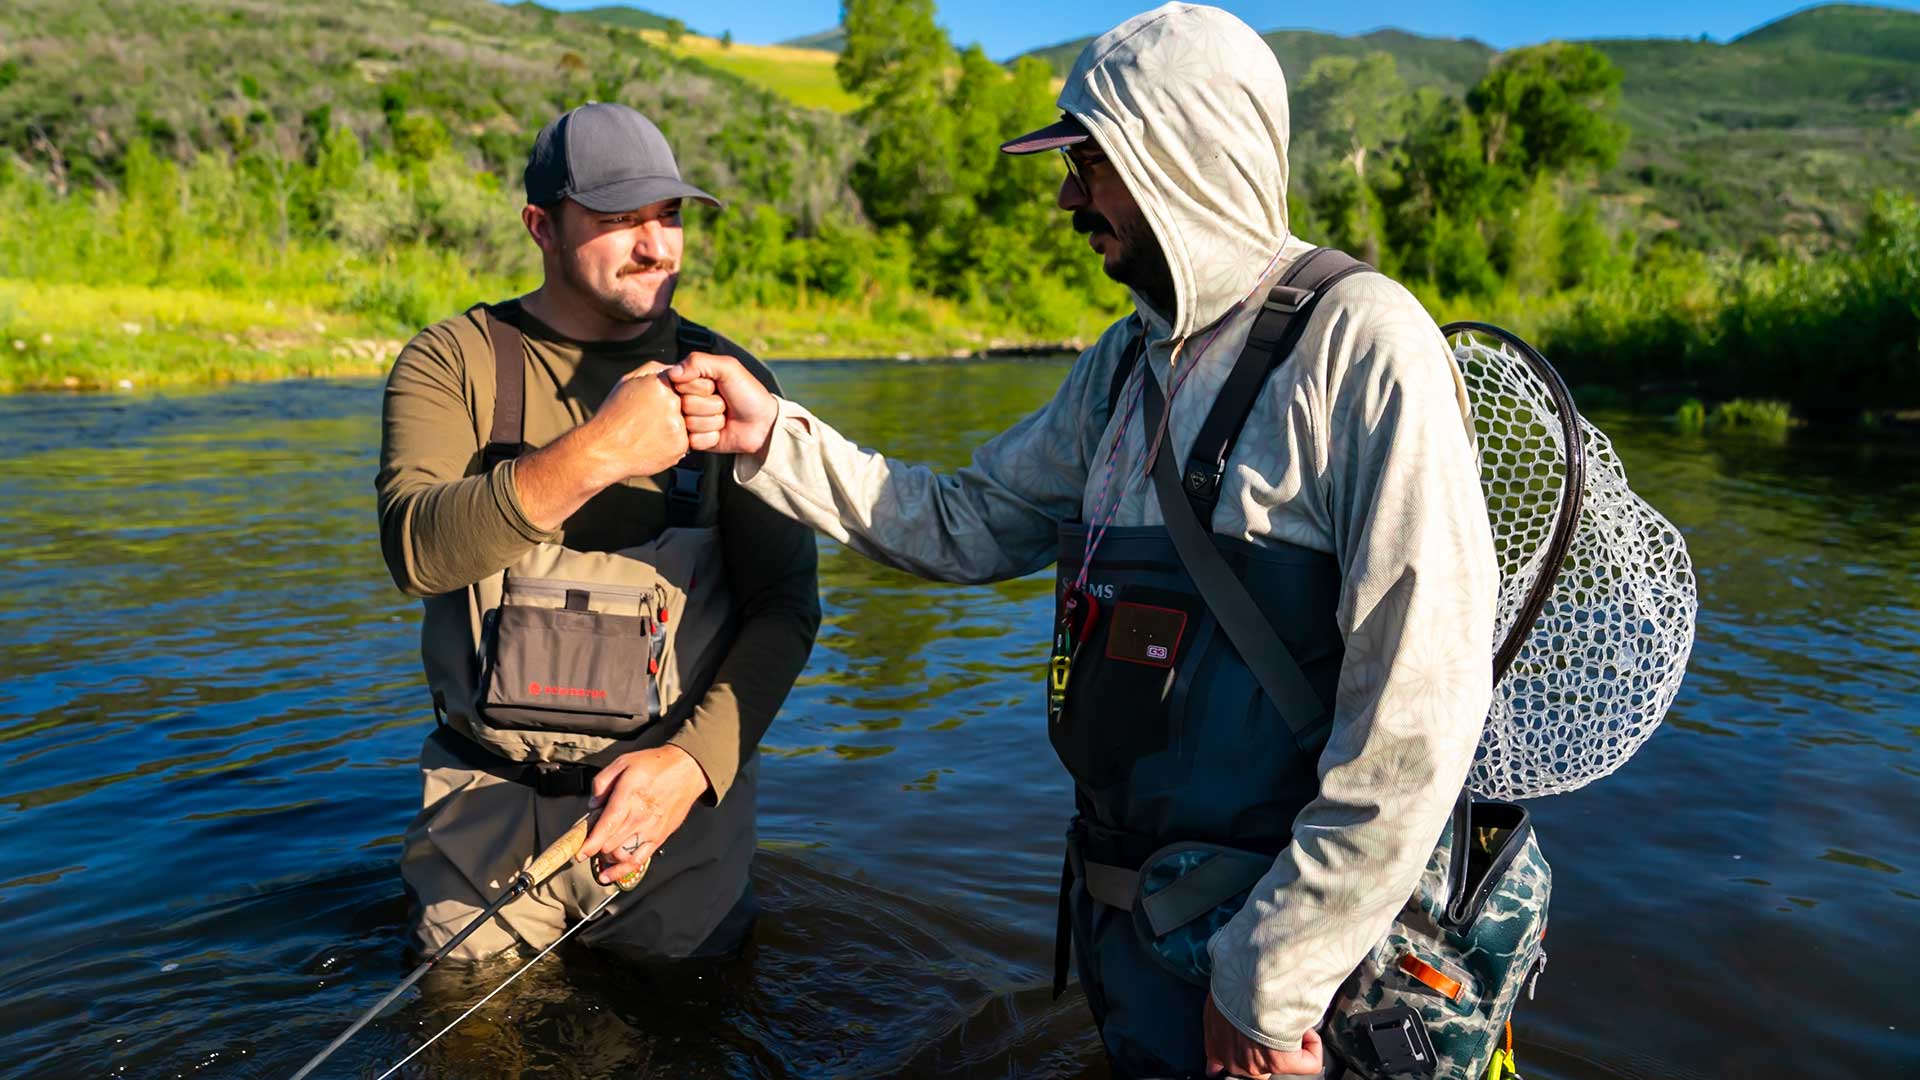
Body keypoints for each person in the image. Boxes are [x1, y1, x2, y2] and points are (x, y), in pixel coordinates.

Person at [666, 4, 1498, 1076]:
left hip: (1284, 985)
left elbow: (1419, 712)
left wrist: (1273, 980)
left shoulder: (1365, 348)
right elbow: (968, 523)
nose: (1067, 199)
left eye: (1089, 164)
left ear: (1180, 156)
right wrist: (773, 438)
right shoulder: (1119, 366)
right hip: (1135, 937)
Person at [375, 102, 820, 964]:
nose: (658, 244)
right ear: (541, 226)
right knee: (469, 1039)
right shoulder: (451, 360)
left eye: (671, 214)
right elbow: (415, 552)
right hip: (484, 810)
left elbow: (785, 607)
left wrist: (692, 767)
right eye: (620, 219)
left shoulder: (733, 382)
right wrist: (602, 449)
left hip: (676, 814)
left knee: (691, 1028)